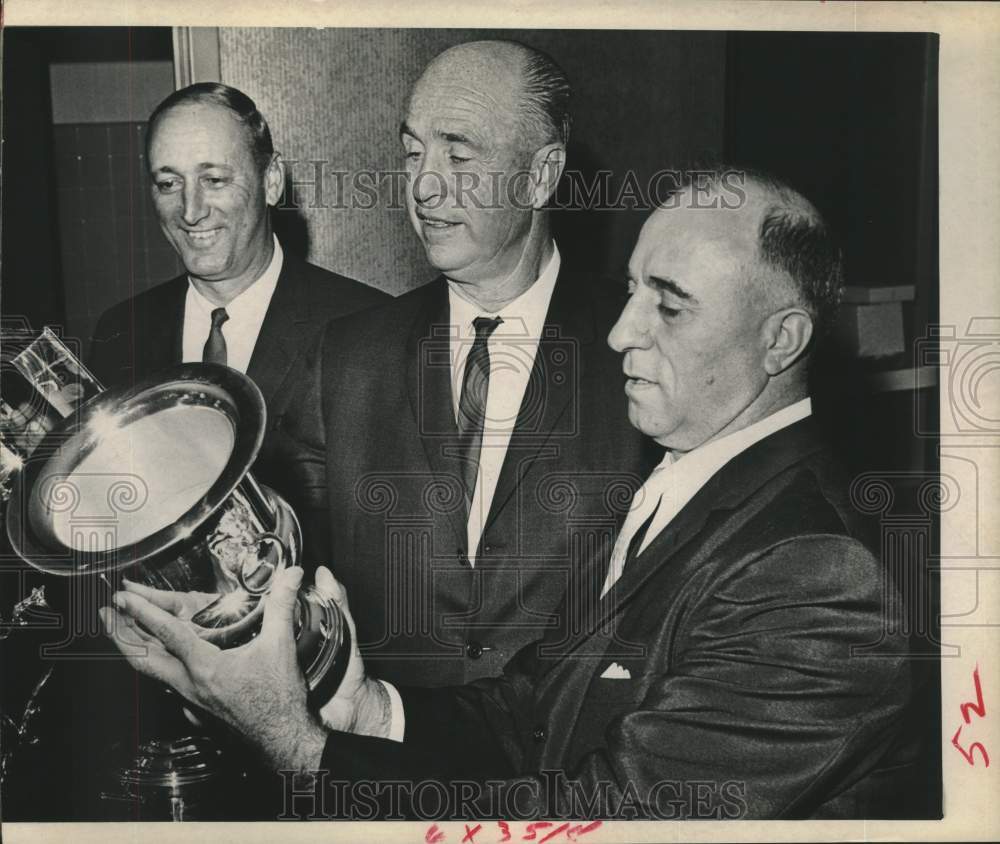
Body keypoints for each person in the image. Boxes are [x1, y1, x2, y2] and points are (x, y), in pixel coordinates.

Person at [105, 170, 927, 820]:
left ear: (781, 340)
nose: (621, 332)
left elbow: (602, 818)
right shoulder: (684, 478)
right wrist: (363, 707)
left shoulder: (820, 573)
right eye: (632, 290)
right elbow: (534, 707)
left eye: (669, 306)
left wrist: (300, 748)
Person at [270, 40, 653, 686]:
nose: (423, 185)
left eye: (458, 154)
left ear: (541, 175)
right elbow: (285, 562)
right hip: (381, 741)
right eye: (413, 152)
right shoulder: (346, 358)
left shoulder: (640, 347)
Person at [88, 82, 388, 490]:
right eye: (168, 184)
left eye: (214, 179)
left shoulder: (368, 329)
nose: (190, 211)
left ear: (272, 181)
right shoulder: (120, 333)